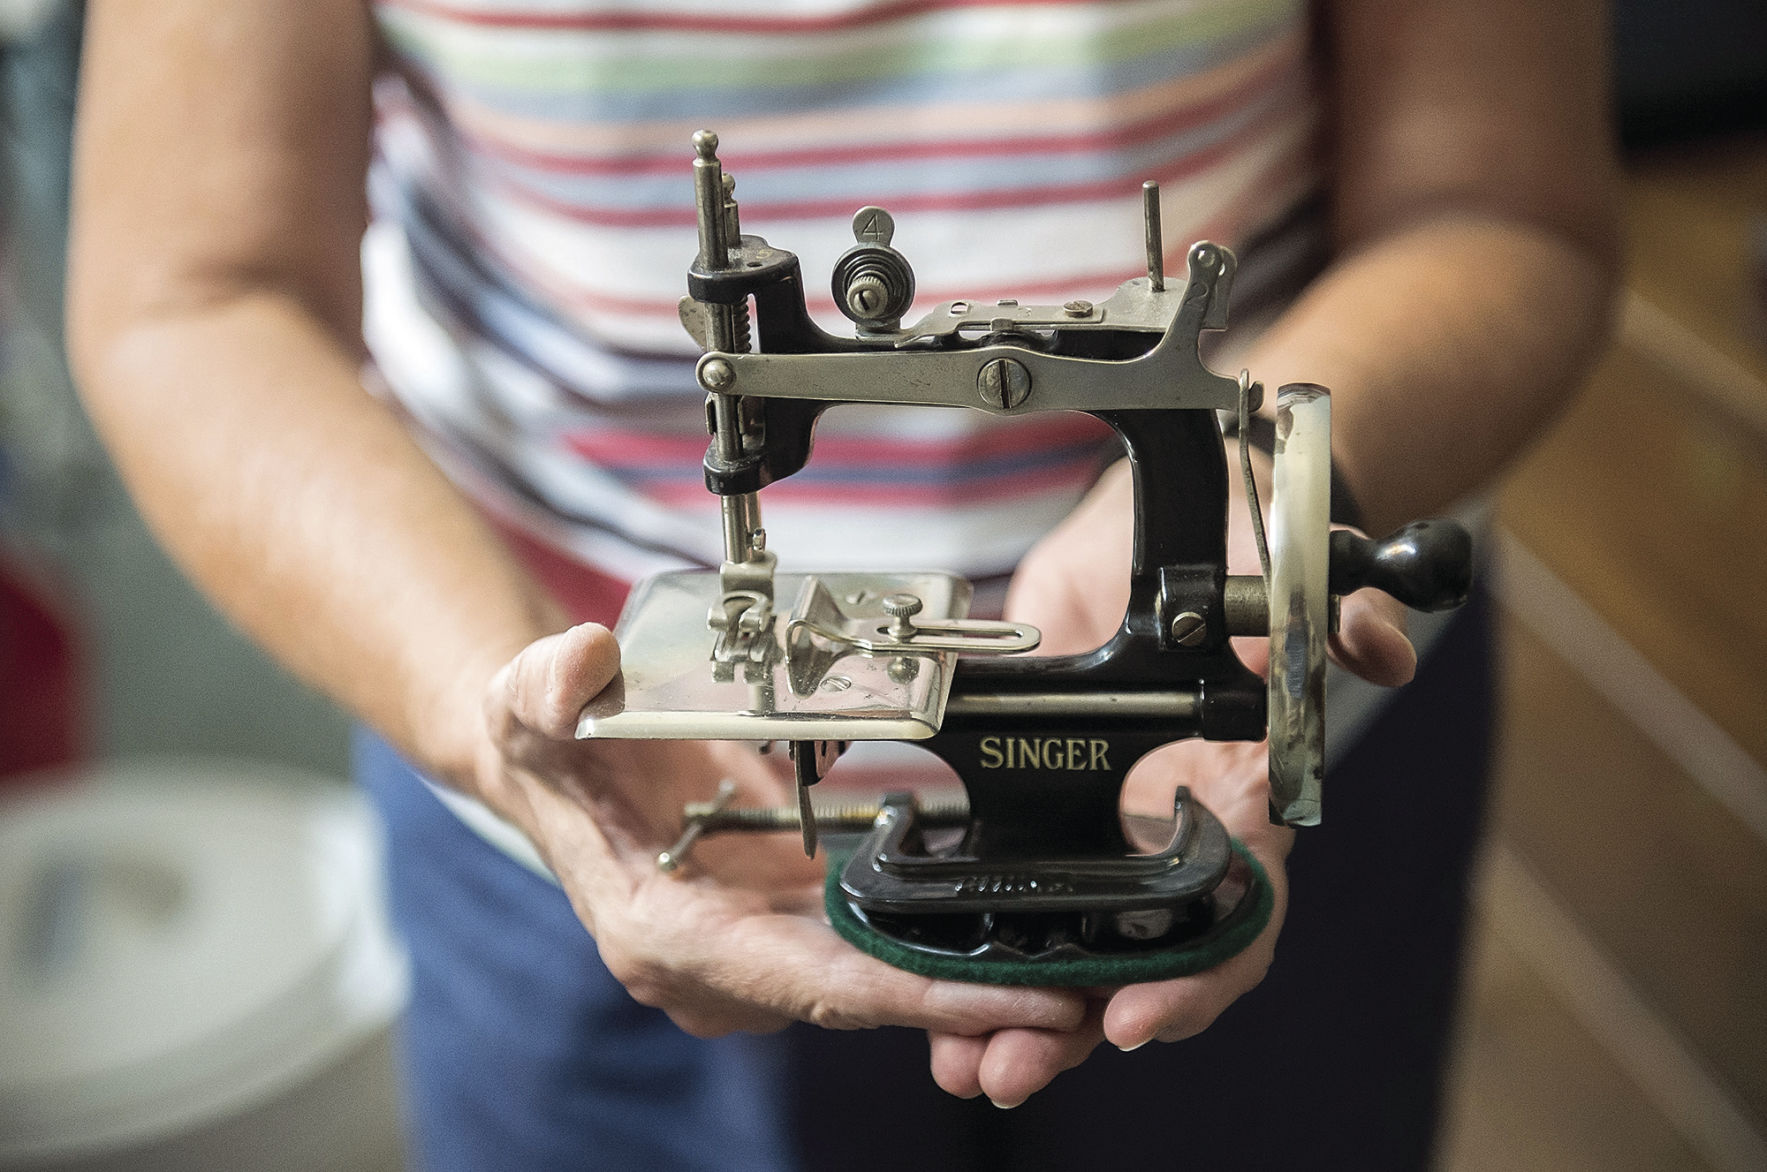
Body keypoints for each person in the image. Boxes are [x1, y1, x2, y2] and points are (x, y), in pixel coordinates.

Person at [65, 1, 1618, 1167]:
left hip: (1285, 810)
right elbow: (193, 290)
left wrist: (1247, 511)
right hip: (554, 804)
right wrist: (495, 703)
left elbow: (1496, 202)